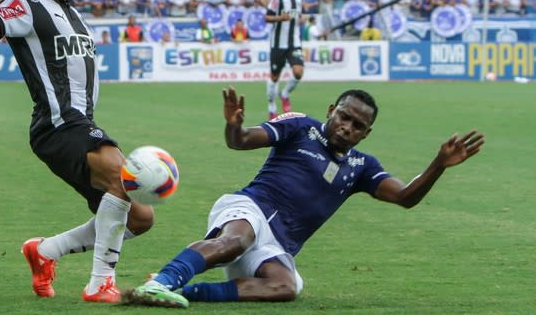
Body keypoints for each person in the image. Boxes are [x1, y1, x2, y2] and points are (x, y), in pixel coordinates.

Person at [127, 86, 485, 308]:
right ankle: (160, 282)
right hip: (249, 209)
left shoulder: (362, 166)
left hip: (277, 244)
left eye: (357, 126)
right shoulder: (301, 127)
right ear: (332, 110)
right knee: (237, 239)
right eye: (344, 117)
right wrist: (233, 124)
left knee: (286, 287)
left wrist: (438, 164)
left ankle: (187, 294)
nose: (347, 127)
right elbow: (240, 142)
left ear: (366, 133)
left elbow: (406, 197)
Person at [0, 0, 154, 303]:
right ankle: (101, 284)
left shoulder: (72, 11)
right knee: (120, 176)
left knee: (139, 218)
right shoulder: (26, 3)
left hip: (84, 124)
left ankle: (46, 251)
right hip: (58, 125)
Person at [264, 0, 304, 120]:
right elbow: (267, 17)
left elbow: (296, 16)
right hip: (278, 43)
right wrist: (280, 18)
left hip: (294, 42)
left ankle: (285, 93)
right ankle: (272, 106)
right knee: (274, 77)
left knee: (298, 72)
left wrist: (300, 19)